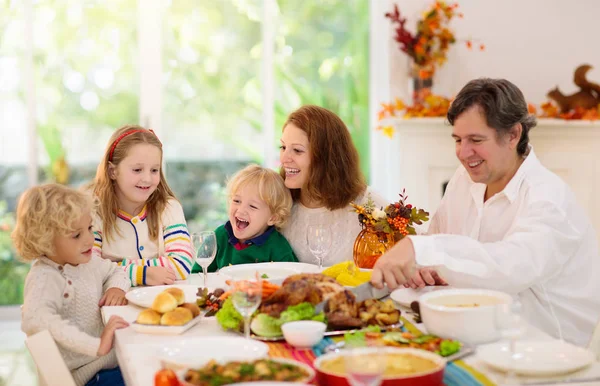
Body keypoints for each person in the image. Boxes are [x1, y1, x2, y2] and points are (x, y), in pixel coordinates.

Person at [371, 78, 600, 346]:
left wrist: (420, 249)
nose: (463, 152)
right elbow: (440, 244)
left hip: (544, 351)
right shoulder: (463, 178)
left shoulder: (549, 197)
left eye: (475, 140)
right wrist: (423, 267)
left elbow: (508, 267)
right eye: (457, 139)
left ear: (513, 134)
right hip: (476, 336)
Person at [14, 184, 131, 386]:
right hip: (90, 376)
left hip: (111, 363)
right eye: (76, 235)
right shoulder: (46, 277)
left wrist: (116, 287)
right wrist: (96, 345)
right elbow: (34, 318)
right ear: (46, 240)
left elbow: (115, 270)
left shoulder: (86, 262)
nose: (89, 239)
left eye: (89, 228)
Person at [279, 105, 387, 266]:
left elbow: (414, 251)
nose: (284, 158)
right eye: (283, 147)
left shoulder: (369, 206)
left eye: (297, 150)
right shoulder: (278, 204)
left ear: (326, 158)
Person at [90, 125, 193, 286]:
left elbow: (182, 264)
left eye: (154, 170)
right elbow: (90, 270)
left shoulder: (169, 208)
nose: (147, 178)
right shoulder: (94, 213)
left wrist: (115, 269)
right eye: (137, 170)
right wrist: (142, 274)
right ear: (112, 171)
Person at [192, 164, 298, 273]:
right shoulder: (219, 237)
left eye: (253, 206)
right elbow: (198, 275)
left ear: (273, 218)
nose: (241, 210)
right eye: (236, 201)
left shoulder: (278, 248)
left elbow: (293, 280)